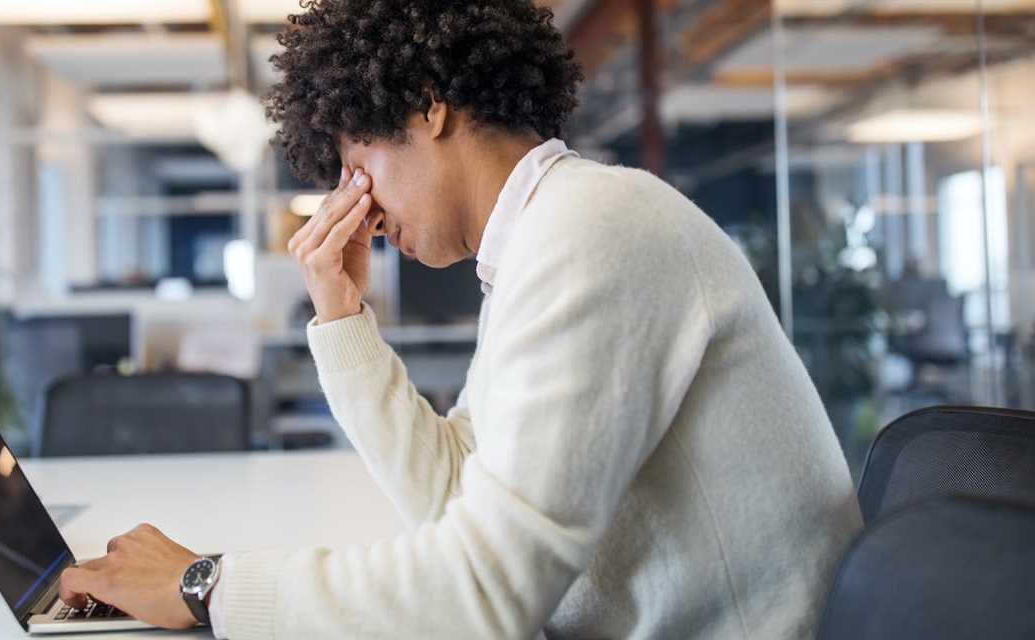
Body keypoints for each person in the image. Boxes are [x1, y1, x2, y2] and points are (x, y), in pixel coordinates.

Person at [57, 1, 863, 638]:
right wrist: (343, 319)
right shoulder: (543, 239)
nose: (356, 208)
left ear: (428, 107)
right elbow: (453, 498)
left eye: (357, 165)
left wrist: (207, 587)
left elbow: (484, 595)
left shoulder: (595, 228)